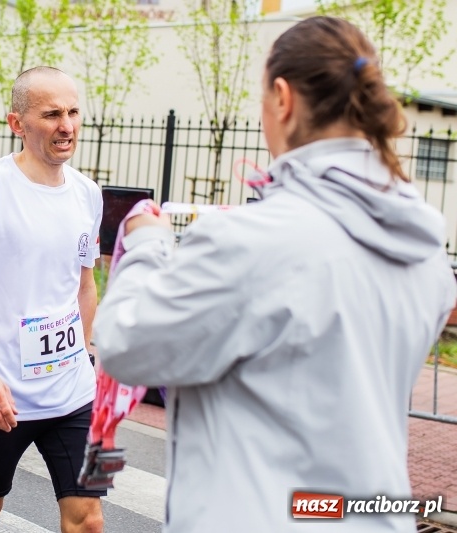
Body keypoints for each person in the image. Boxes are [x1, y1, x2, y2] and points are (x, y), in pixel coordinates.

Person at [93, 16, 457, 533]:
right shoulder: (425, 251)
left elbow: (126, 345)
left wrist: (148, 245)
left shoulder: (252, 241)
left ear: (282, 98)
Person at [0, 66, 104, 533]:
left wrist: (85, 355)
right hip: (1, 398)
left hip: (75, 393)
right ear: (17, 123)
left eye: (72, 112)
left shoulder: (89, 194)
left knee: (89, 520)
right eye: (51, 114)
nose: (66, 125)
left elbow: (84, 283)